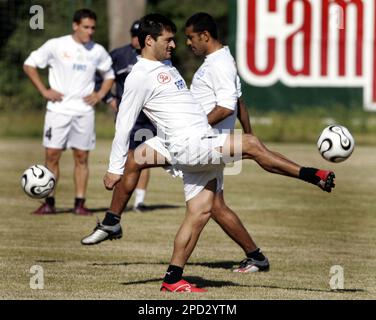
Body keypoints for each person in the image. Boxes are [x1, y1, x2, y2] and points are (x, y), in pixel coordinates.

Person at [81, 14, 335, 293]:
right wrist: (114, 167)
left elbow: (225, 103)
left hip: (195, 142)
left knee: (200, 212)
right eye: (168, 40)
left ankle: (173, 278)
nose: (175, 45)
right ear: (149, 40)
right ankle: (313, 175)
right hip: (189, 145)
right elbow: (124, 123)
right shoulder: (139, 76)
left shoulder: (165, 65)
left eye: (177, 39)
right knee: (250, 145)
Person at [185, 12, 268, 273]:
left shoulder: (218, 64)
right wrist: (249, 135)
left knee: (207, 207)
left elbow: (225, 107)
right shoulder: (221, 60)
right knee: (216, 206)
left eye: (190, 38)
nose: (188, 43)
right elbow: (239, 102)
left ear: (205, 36)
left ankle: (112, 219)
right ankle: (256, 256)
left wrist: (192, 130)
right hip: (210, 143)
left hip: (208, 143)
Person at [23, 8, 115, 215]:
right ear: (75, 26)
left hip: (84, 112)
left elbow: (109, 75)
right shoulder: (56, 45)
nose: (90, 31)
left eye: (93, 28)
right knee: (52, 155)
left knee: (82, 157)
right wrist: (44, 90)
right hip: (58, 111)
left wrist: (100, 95)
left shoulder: (97, 50)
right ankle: (49, 202)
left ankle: (79, 203)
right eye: (85, 27)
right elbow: (29, 65)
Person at [97, 20, 157, 212]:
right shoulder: (119, 55)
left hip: (147, 118)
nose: (136, 40)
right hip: (128, 116)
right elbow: (101, 77)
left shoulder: (154, 57)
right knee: (126, 156)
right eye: (134, 35)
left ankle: (139, 201)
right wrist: (108, 99)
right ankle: (121, 198)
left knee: (143, 157)